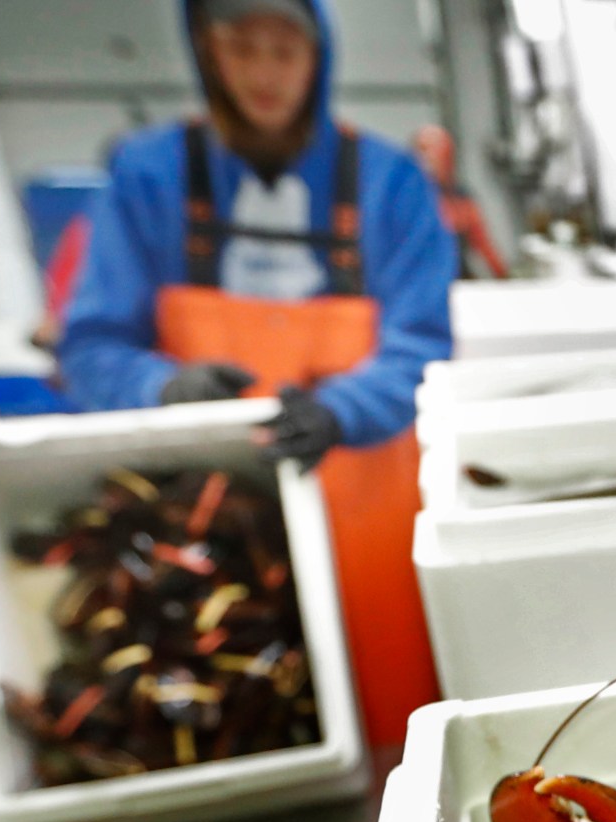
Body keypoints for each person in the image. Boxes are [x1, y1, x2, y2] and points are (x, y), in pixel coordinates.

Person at [59, 0, 456, 750]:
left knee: (395, 727)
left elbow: (423, 346)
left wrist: (343, 410)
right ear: (207, 51)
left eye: (286, 48)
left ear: (320, 54)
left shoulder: (392, 182)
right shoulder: (149, 174)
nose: (266, 71)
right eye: (243, 46)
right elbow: (91, 345)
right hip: (205, 526)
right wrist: (161, 388)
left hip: (366, 512)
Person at [411, 123, 508, 280]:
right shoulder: (404, 200)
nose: (429, 159)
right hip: (418, 285)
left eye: (436, 151)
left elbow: (484, 245)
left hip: (458, 283)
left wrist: (504, 279)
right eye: (422, 151)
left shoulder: (462, 200)